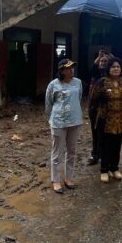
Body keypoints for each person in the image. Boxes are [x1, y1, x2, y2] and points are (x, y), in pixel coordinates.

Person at [45, 59, 83, 194]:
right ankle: (56, 180)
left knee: (72, 151)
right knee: (57, 152)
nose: (71, 70)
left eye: (72, 68)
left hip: (75, 121)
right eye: (68, 68)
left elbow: (78, 98)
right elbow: (49, 104)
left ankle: (69, 178)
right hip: (58, 122)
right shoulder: (53, 84)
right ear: (61, 70)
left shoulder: (78, 82)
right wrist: (54, 117)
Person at [90, 58, 122, 182]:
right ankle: (104, 170)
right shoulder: (101, 82)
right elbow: (93, 100)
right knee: (105, 145)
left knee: (117, 144)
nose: (116, 69)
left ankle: (114, 168)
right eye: (113, 67)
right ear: (108, 69)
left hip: (120, 120)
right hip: (105, 120)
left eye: (118, 67)